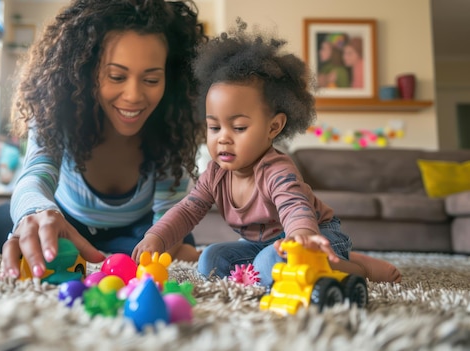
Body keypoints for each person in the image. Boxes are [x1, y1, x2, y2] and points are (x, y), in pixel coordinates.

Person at [132, 22, 402, 285]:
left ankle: (356, 267)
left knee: (267, 265)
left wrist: (302, 235)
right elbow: (186, 211)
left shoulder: (277, 169)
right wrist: (157, 237)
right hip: (263, 245)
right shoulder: (215, 174)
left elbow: (294, 205)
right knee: (211, 260)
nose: (223, 137)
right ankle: (286, 260)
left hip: (315, 236)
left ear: (274, 126)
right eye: (214, 126)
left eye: (238, 127)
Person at [0, 0, 208, 279]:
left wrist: (160, 247)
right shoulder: (57, 111)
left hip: (140, 230)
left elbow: (165, 219)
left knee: (163, 247)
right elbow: (36, 174)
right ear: (87, 70)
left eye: (151, 80)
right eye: (116, 76)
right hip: (67, 220)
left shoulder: (172, 123)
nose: (134, 96)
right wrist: (37, 211)